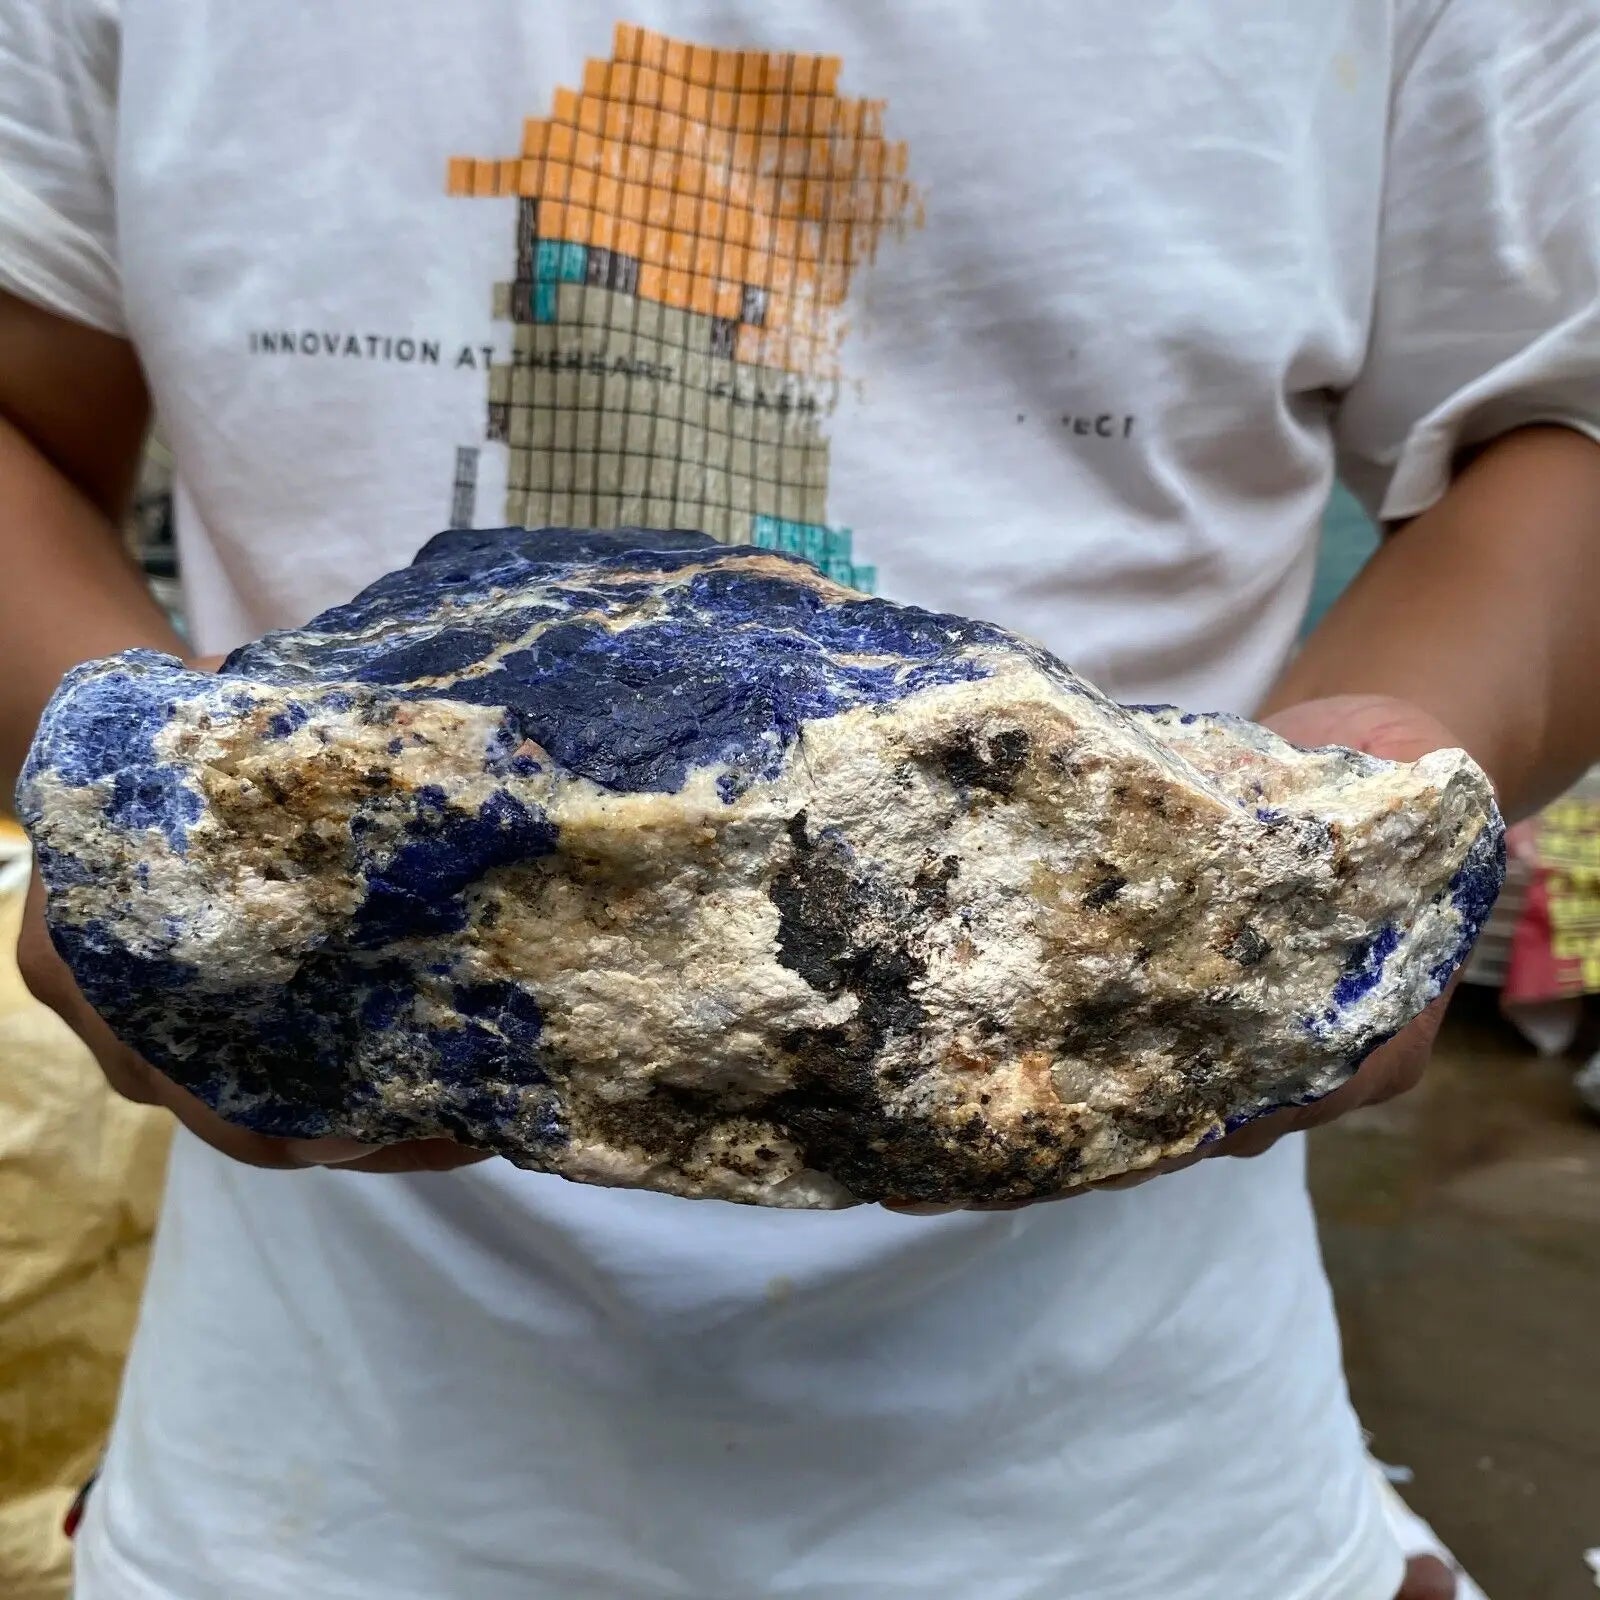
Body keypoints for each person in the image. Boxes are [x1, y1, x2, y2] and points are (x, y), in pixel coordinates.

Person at [3, 3, 1597, 1596]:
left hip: (1134, 1473)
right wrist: (135, 797)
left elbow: (1564, 421)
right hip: (311, 1466)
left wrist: (1359, 819)